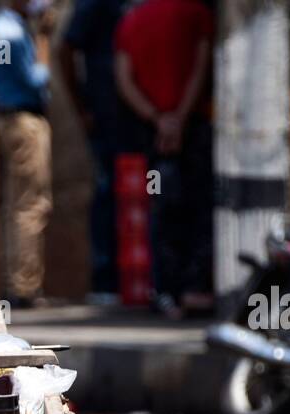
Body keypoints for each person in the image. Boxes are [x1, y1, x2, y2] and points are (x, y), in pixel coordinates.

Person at [114, 0, 215, 319]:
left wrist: (158, 119)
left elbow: (124, 79)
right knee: (199, 208)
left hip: (153, 135)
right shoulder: (196, 12)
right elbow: (202, 65)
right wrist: (180, 119)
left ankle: (166, 293)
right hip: (191, 130)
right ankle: (194, 289)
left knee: (161, 208)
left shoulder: (132, 20)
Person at [0, 0, 56, 308]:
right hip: (24, 121)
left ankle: (20, 282)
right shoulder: (10, 34)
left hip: (11, 119)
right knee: (31, 203)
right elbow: (37, 79)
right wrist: (45, 39)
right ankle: (24, 287)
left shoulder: (0, 30)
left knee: (18, 201)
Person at [58, 0, 128, 305]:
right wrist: (82, 108)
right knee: (107, 192)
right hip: (106, 117)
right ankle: (106, 281)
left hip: (138, 119)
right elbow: (65, 49)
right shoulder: (93, 6)